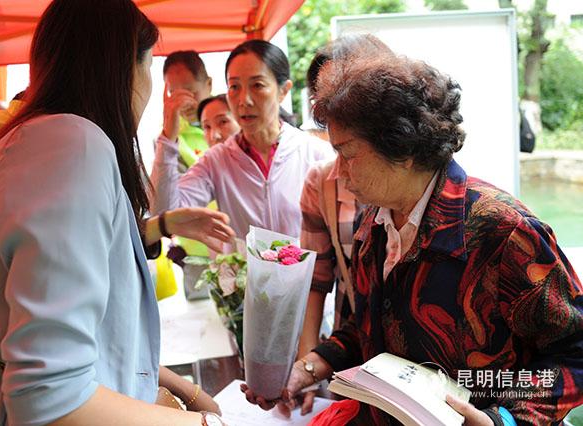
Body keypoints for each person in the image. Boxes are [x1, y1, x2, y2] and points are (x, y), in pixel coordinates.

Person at [243, 38, 583, 425]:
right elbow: (366, 328)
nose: (338, 171)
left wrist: (500, 419)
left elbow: (575, 352)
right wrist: (306, 369)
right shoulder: (374, 222)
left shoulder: (502, 231)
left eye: (347, 154)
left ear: (402, 148)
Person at [0, 1, 228, 424]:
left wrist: (185, 389)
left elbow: (91, 339)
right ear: (125, 68)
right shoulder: (70, 143)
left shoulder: (39, 139)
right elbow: (50, 395)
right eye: (150, 68)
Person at [151, 39, 334, 240]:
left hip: (309, 262)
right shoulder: (216, 161)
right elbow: (165, 215)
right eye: (234, 87)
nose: (244, 100)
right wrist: (168, 137)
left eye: (257, 85)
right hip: (242, 263)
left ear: (283, 90)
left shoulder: (316, 154)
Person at [298, 36, 395, 363]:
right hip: (354, 346)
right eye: (321, 96)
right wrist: (308, 361)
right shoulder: (322, 182)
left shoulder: (419, 178)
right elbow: (317, 278)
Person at [161, 50, 213, 174]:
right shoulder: (169, 139)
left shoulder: (235, 117)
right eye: (174, 94)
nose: (183, 102)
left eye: (191, 92)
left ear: (209, 84)